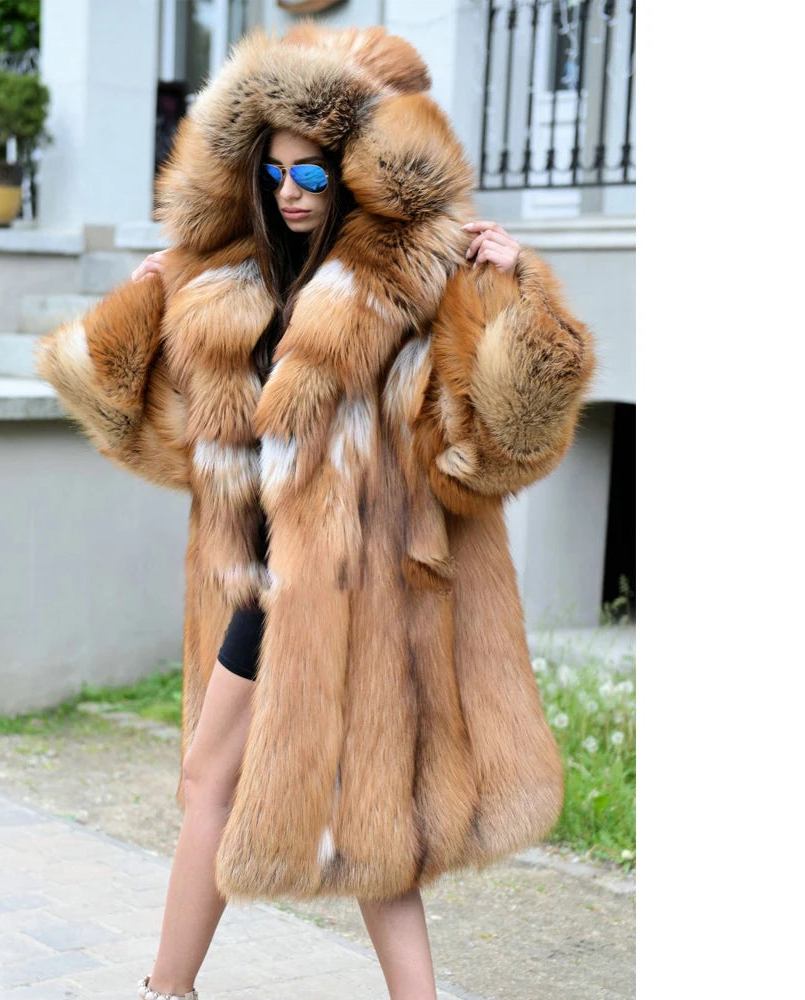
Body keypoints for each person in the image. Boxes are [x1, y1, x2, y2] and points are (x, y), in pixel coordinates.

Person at [37, 24, 595, 1000]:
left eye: (311, 176)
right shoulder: (234, 286)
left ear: (350, 176)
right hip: (261, 575)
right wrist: (142, 310)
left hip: (340, 584)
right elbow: (168, 442)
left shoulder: (409, 290)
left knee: (222, 784)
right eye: (274, 174)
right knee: (360, 822)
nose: (290, 193)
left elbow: (494, 444)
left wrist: (518, 291)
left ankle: (166, 991)